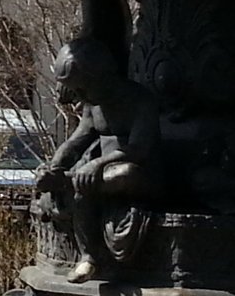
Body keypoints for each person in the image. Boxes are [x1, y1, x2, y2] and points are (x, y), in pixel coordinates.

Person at [36, 39, 159, 283]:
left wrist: (98, 164)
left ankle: (66, 183)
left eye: (83, 88)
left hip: (137, 174)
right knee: (85, 184)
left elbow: (139, 149)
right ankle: (89, 257)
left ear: (101, 76)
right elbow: (77, 140)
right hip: (96, 177)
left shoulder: (140, 100)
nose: (80, 96)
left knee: (123, 174)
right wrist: (54, 166)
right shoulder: (94, 106)